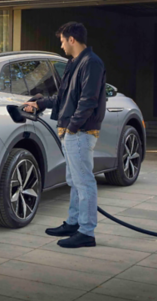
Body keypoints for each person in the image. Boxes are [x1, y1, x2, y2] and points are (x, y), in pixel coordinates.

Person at [22, 22, 106, 248]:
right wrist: (39, 104)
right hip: (72, 131)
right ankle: (73, 223)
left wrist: (72, 127)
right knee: (75, 181)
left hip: (81, 131)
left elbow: (89, 100)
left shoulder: (91, 63)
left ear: (72, 39)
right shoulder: (74, 63)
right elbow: (63, 98)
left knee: (84, 182)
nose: (61, 46)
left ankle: (86, 233)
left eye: (62, 41)